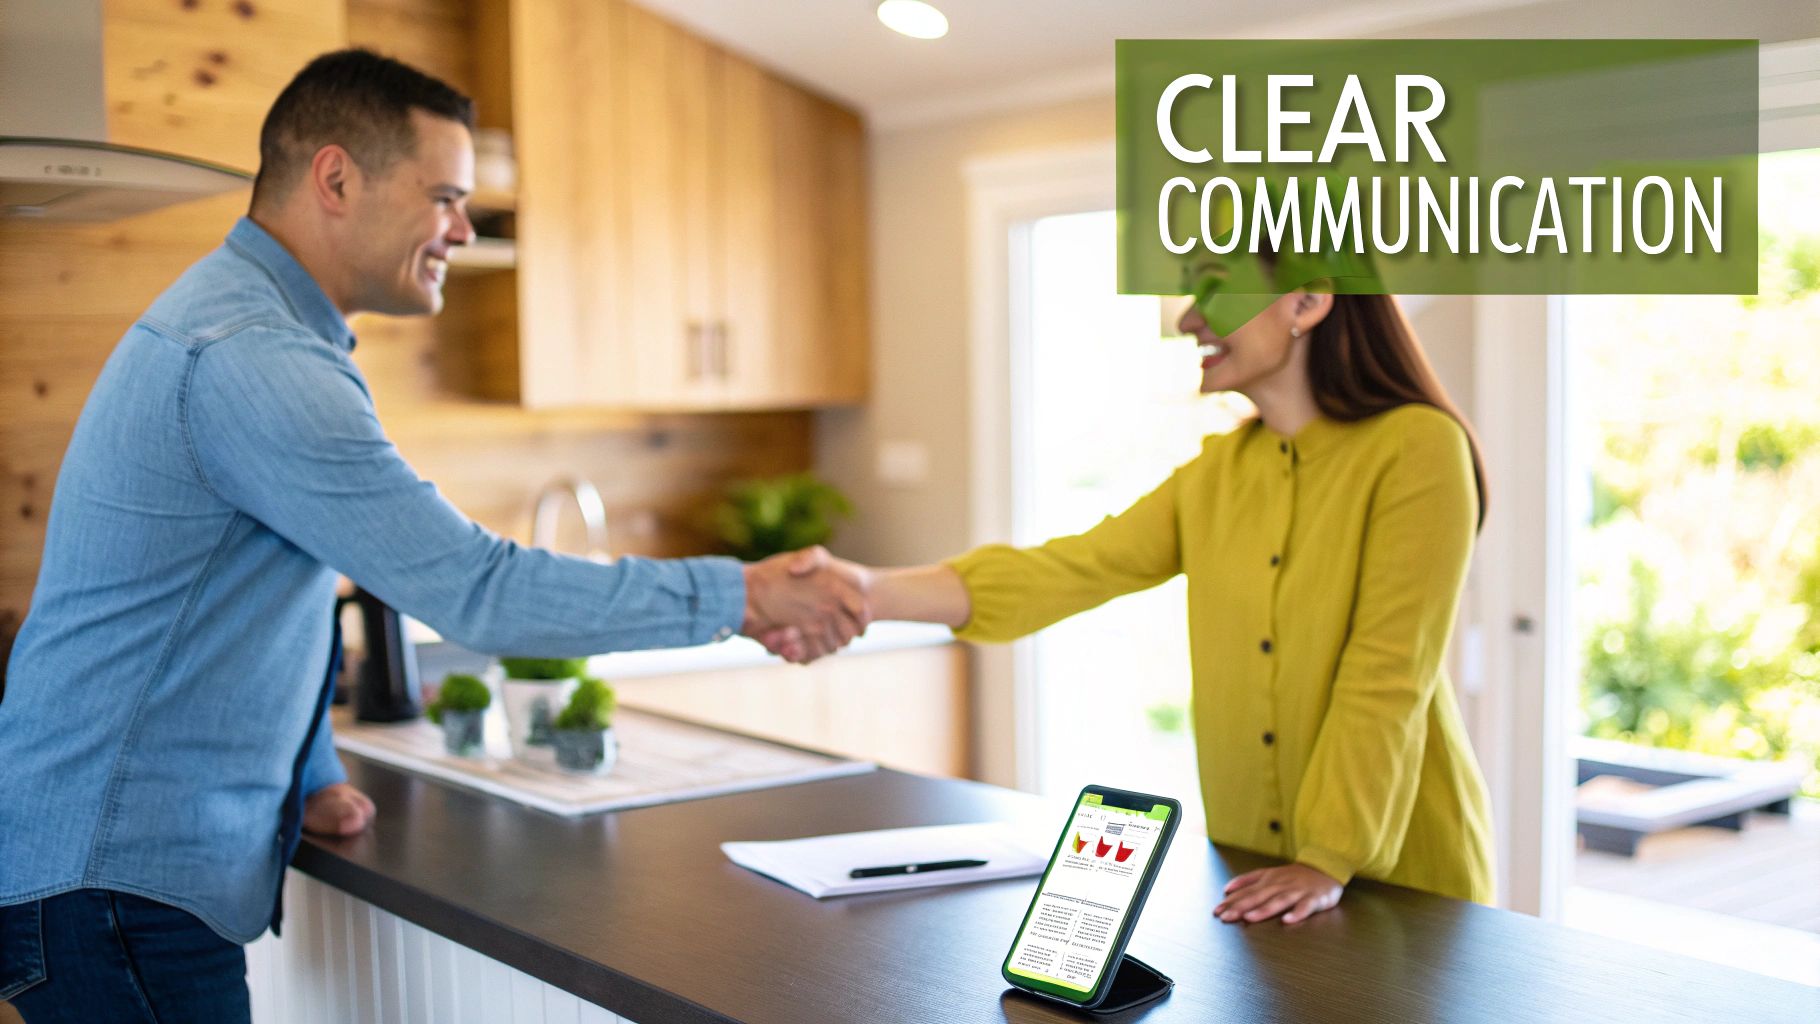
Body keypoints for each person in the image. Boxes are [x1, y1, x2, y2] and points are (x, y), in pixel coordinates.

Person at [0, 49, 865, 1021]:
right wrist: (740, 594)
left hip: (103, 869)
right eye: (445, 195)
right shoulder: (257, 358)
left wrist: (306, 772)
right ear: (336, 177)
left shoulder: (254, 328)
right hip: (117, 885)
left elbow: (248, 593)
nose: (463, 226)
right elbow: (476, 589)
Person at [807, 281, 1496, 925]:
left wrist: (1328, 857)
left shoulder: (1419, 448)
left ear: (1309, 301)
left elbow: (1387, 670)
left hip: (1404, 876)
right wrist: (864, 592)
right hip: (1256, 873)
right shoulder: (1215, 474)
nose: (1188, 318)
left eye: (1213, 290)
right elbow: (1068, 569)